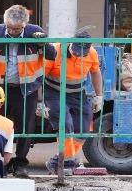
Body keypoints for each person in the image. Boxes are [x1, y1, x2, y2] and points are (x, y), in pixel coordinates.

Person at [0, 4, 46, 178]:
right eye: (10, 28)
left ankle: (20, 163)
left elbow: (50, 55)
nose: (13, 32)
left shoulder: (33, 31)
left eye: (17, 29)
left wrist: (42, 41)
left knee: (25, 126)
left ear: (25, 24)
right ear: (5, 22)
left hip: (26, 88)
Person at [41, 29, 103, 174]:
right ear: (71, 43)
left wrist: (99, 96)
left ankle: (60, 161)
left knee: (84, 130)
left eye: (82, 53)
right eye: (76, 51)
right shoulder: (55, 51)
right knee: (65, 125)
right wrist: (41, 102)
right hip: (54, 92)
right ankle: (65, 163)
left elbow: (95, 73)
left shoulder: (92, 53)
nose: (78, 55)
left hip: (77, 93)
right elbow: (40, 75)